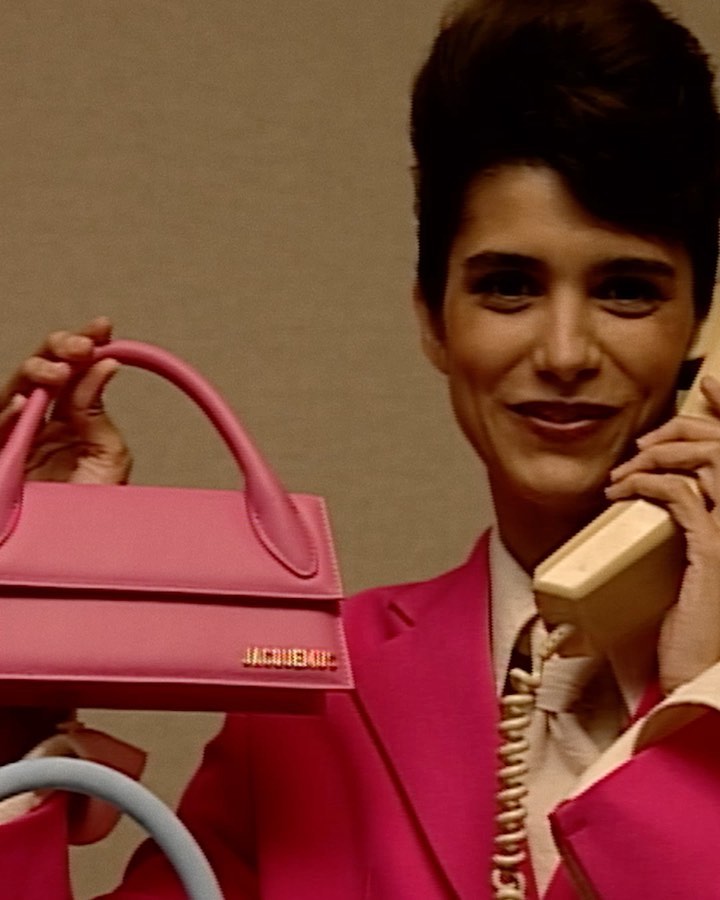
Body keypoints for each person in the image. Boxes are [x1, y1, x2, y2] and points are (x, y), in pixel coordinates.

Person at [1, 0, 720, 896]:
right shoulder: (313, 700)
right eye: (508, 286)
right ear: (433, 318)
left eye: (627, 290)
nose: (566, 353)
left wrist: (702, 710)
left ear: (699, 328)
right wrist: (21, 652)